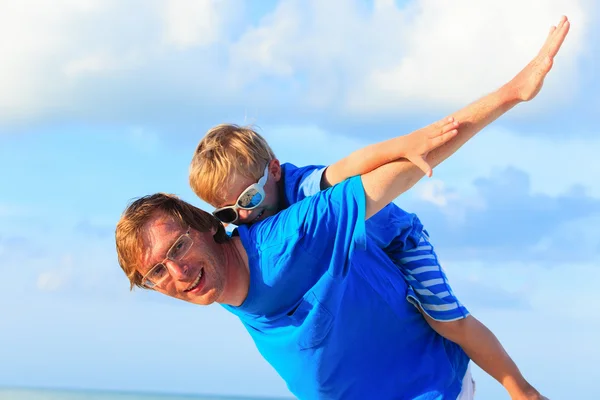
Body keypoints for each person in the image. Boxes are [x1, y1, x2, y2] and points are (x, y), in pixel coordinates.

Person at [115, 16, 569, 399]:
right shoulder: (223, 256)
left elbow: (373, 167)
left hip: (403, 253)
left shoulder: (296, 222)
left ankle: (521, 390)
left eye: (176, 248)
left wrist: (510, 93)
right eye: (154, 272)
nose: (175, 273)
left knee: (448, 317)